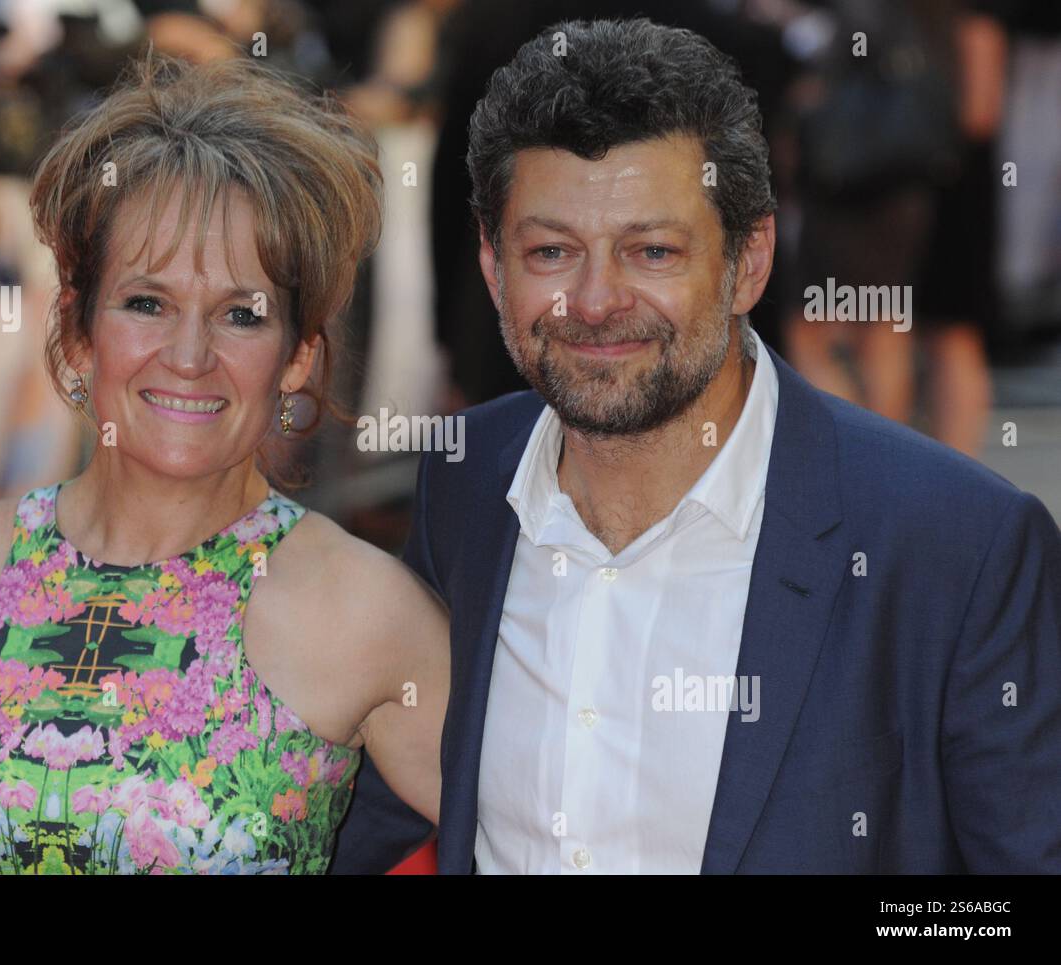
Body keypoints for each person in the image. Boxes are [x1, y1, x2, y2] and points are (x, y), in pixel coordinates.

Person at [330, 17, 1061, 874]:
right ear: (494, 269)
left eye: (652, 251)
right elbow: (364, 808)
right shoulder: (463, 479)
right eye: (552, 251)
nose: (596, 300)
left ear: (749, 262)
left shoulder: (955, 545)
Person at [0, 52, 448, 875]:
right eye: (146, 303)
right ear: (77, 331)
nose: (189, 355)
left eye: (242, 314)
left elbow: (563, 836)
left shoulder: (370, 614)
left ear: (299, 356)